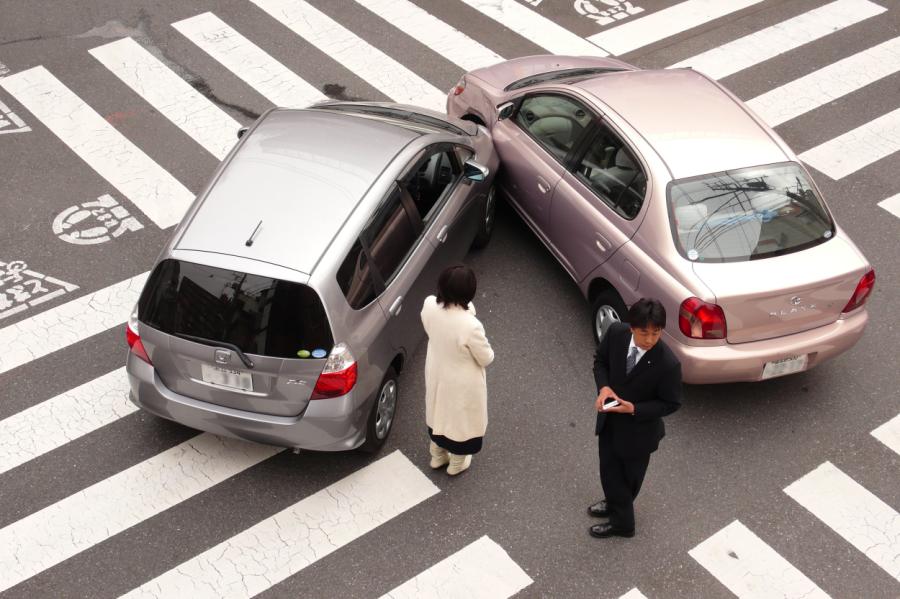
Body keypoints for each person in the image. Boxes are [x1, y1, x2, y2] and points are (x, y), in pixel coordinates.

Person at [588, 298, 682, 538]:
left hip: (639, 433)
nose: (649, 340)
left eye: (656, 333)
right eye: (644, 333)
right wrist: (604, 388)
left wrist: (634, 409)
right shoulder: (616, 333)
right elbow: (600, 362)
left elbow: (671, 403)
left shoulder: (668, 364)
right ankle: (614, 503)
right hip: (610, 421)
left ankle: (623, 524)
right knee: (608, 470)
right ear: (631, 327)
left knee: (628, 479)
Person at [420, 264, 494, 475]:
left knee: (438, 412)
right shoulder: (471, 325)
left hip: (437, 370)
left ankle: (437, 456)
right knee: (461, 422)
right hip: (462, 381)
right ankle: (456, 463)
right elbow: (486, 357)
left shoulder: (428, 306)